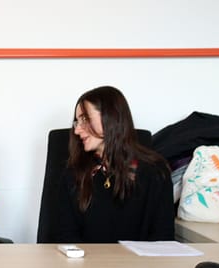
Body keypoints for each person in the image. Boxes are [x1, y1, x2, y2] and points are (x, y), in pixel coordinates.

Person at [56, 85, 175, 243]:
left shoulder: (155, 172)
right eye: (77, 122)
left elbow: (163, 239)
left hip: (140, 260)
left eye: (84, 119)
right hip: (87, 259)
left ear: (110, 117)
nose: (77, 130)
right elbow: (66, 238)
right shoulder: (74, 173)